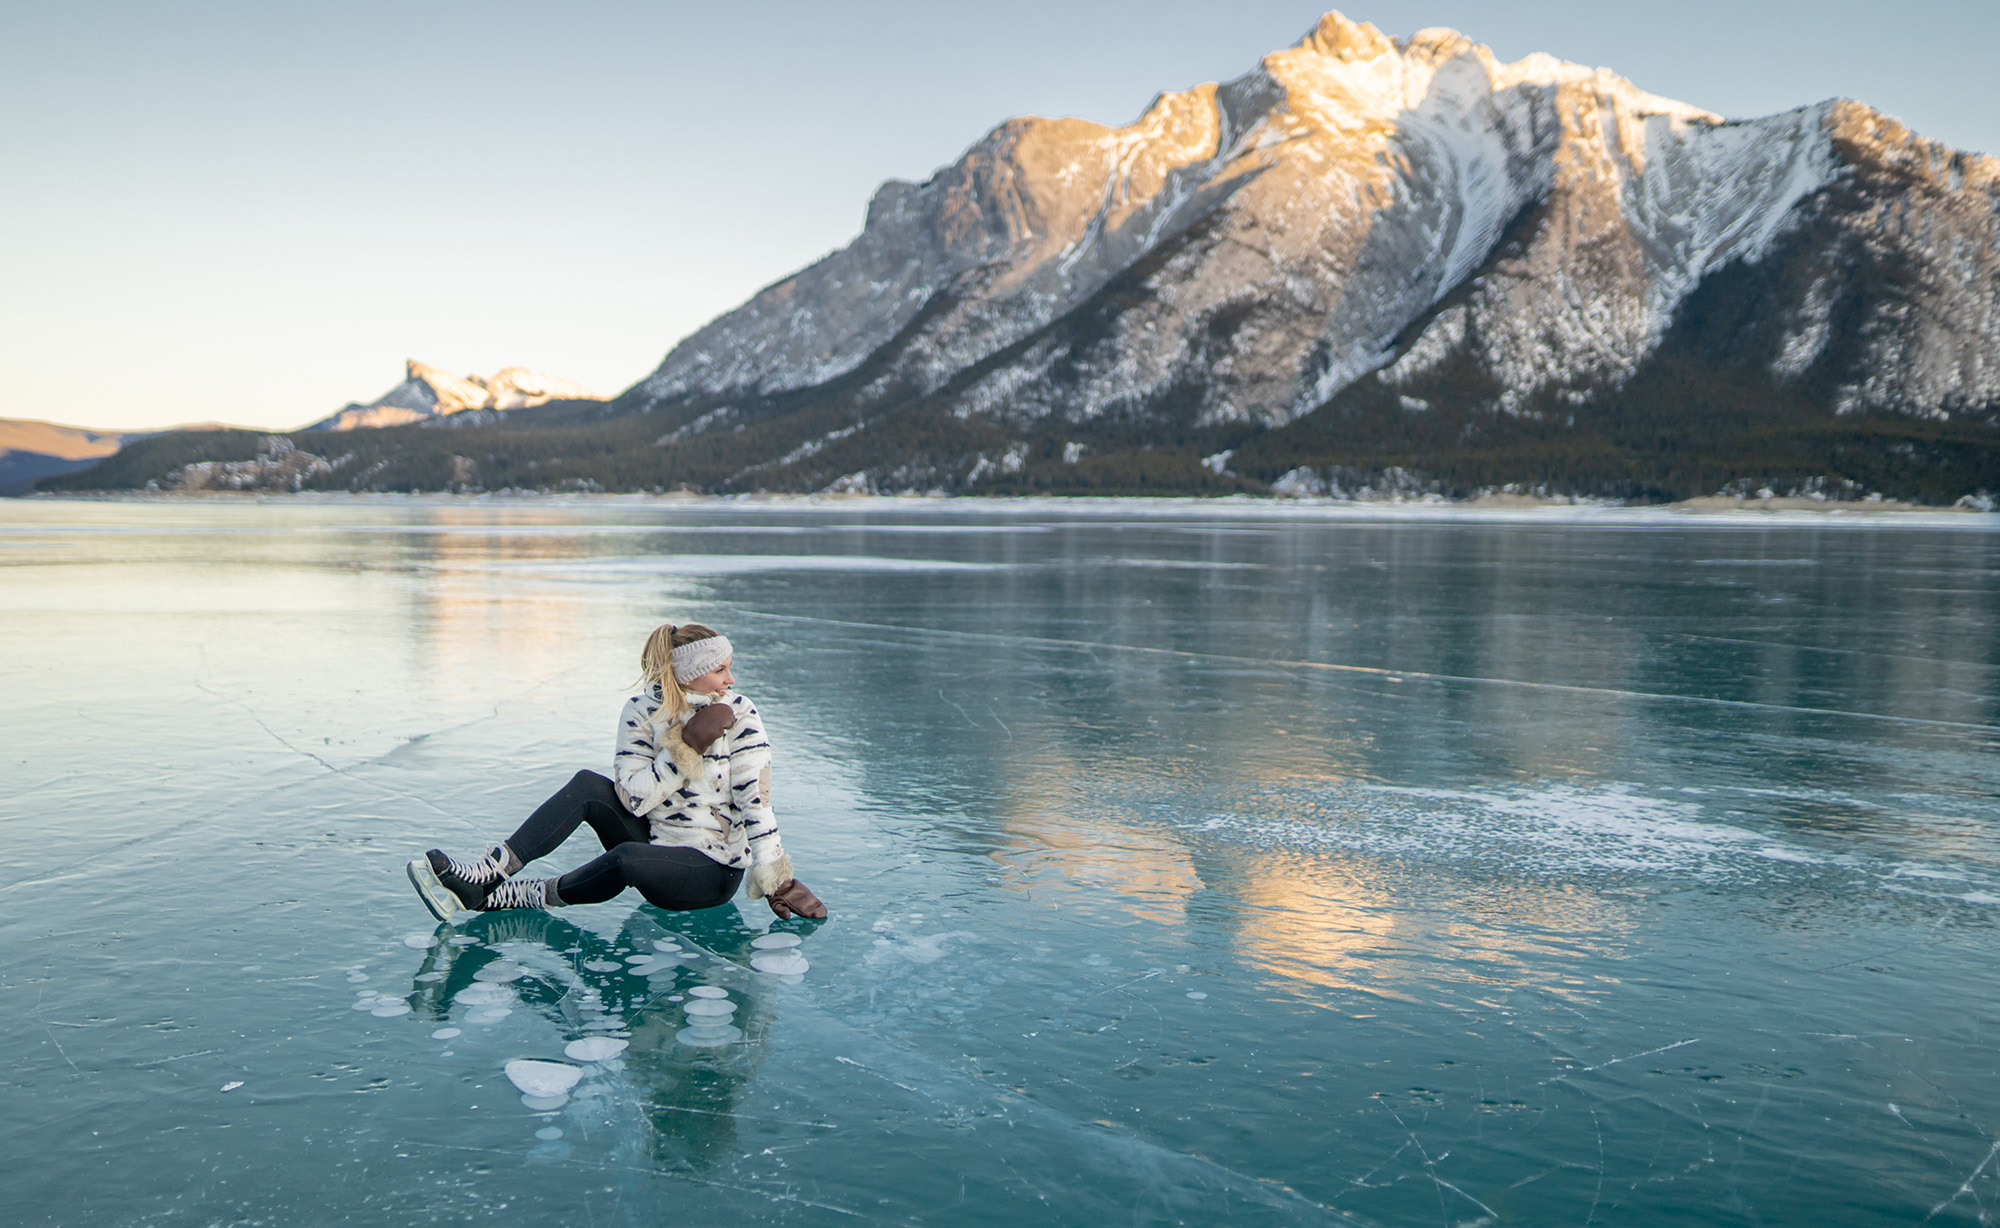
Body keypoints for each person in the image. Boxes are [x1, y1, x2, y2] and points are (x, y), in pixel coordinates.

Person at [406, 622, 827, 923]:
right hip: (657, 842)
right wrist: (685, 748)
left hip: (710, 872)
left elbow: (757, 800)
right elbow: (633, 799)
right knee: (588, 786)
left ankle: (521, 895)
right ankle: (486, 876)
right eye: (720, 670)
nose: (730, 679)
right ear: (689, 673)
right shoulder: (642, 713)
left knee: (625, 858)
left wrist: (776, 878)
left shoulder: (740, 713)